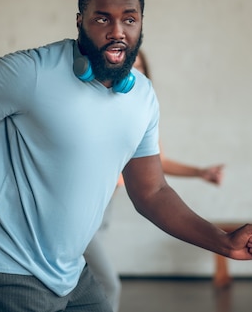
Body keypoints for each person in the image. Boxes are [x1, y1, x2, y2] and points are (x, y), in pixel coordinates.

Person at [0, 0, 252, 312]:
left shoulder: (142, 98)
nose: (117, 31)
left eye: (129, 19)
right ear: (80, 22)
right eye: (103, 19)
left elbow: (152, 193)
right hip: (1, 260)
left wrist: (223, 241)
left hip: (68, 271)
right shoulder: (33, 72)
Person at [84, 49, 225, 312]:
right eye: (128, 67)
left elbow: (156, 162)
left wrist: (200, 172)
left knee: (85, 284)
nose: (132, 73)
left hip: (104, 214)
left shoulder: (140, 113)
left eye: (138, 68)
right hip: (83, 213)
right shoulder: (96, 105)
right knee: (107, 284)